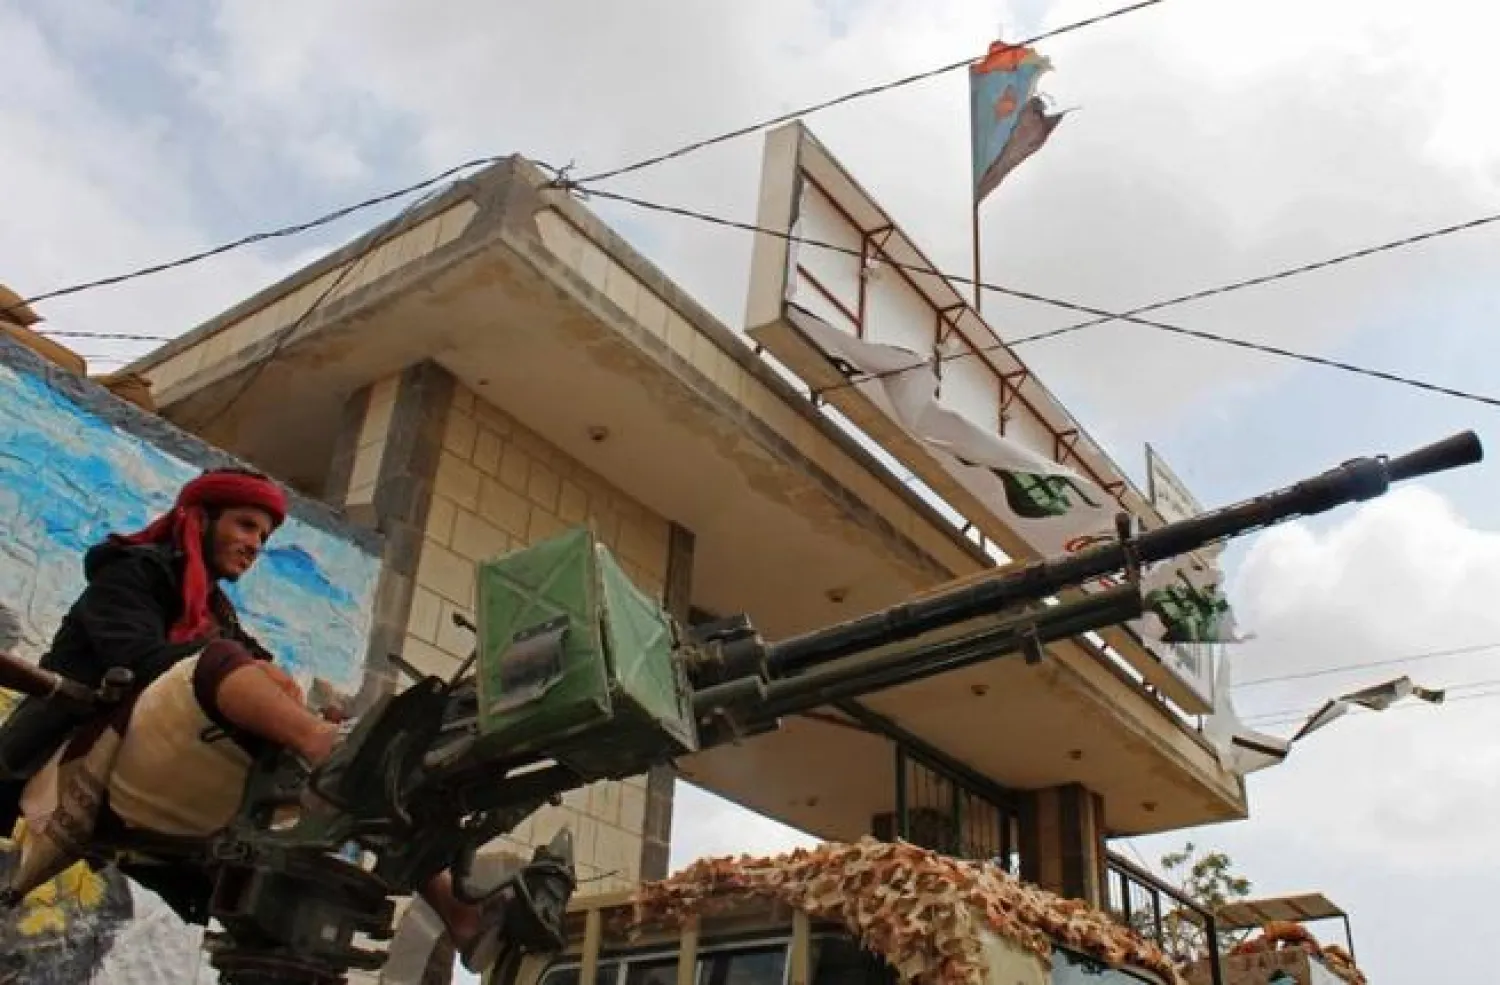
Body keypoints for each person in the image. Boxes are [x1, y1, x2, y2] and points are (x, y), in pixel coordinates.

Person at [0, 467, 501, 969]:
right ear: (198, 520)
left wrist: (297, 705)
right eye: (244, 526)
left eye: (262, 535)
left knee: (369, 774)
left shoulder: (216, 612)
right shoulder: (130, 574)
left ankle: (460, 914)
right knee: (229, 667)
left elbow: (255, 667)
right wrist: (263, 689)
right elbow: (138, 660)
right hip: (80, 756)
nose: (255, 544)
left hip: (164, 756)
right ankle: (330, 753)